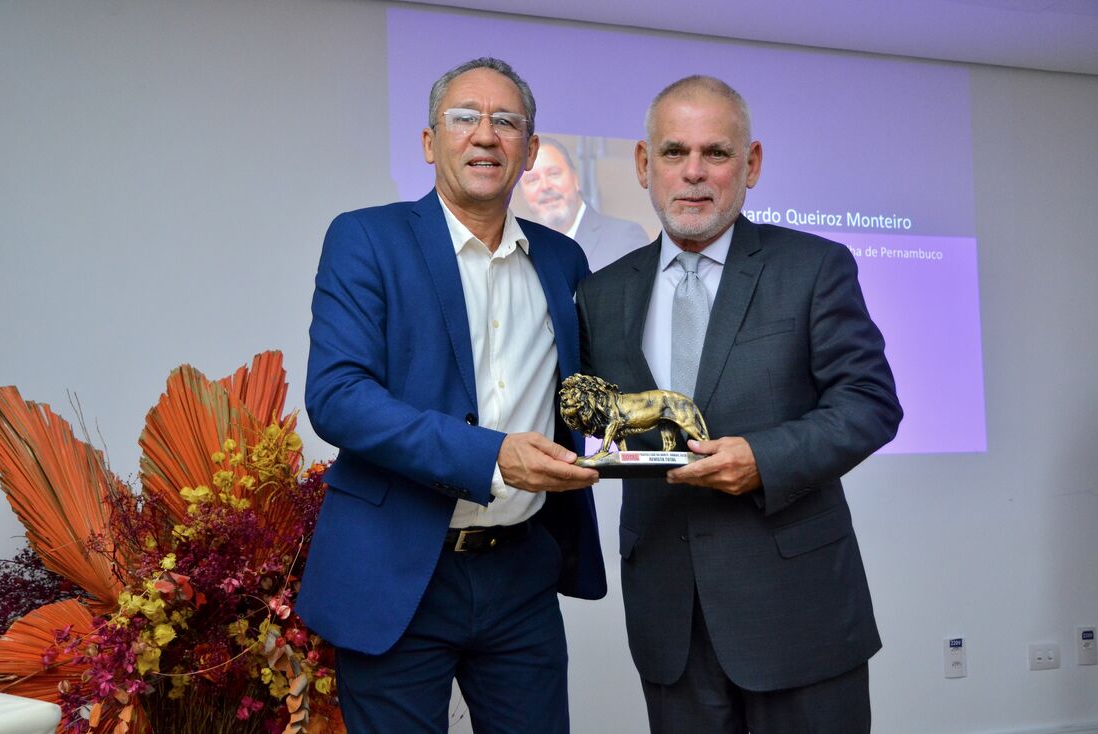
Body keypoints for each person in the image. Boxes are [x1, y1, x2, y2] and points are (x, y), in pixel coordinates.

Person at [575, 75, 902, 733]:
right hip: (669, 620)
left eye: (716, 153)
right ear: (644, 165)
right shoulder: (601, 294)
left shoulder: (813, 268)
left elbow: (869, 402)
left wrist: (763, 458)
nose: (694, 173)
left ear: (749, 166)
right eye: (673, 152)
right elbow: (590, 413)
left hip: (798, 616)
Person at [298, 57, 606, 734]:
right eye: (465, 117)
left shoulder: (563, 260)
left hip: (521, 572)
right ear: (429, 141)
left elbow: (591, 392)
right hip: (398, 568)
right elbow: (338, 396)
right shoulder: (367, 239)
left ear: (528, 148)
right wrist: (491, 456)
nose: (486, 135)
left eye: (507, 121)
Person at [520, 136, 649, 271]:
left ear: (576, 179)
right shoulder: (521, 251)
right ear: (523, 193)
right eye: (532, 180)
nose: (545, 186)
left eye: (553, 173)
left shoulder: (624, 238)